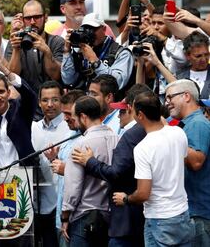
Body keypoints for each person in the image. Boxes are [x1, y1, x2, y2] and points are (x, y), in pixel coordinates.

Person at [71, 83, 152, 246]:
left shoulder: (132, 135)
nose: (118, 115)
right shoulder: (156, 131)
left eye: (122, 111)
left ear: (133, 109)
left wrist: (90, 162)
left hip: (127, 218)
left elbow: (116, 173)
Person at [113, 91, 193, 247]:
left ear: (140, 115)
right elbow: (181, 160)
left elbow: (143, 193)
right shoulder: (178, 132)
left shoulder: (143, 148)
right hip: (182, 214)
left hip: (159, 219)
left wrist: (125, 198)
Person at [61, 96, 118, 246]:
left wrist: (65, 217)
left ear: (83, 117)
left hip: (84, 216)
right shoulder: (116, 138)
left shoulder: (81, 143)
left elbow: (73, 187)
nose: (74, 121)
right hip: (110, 215)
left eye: (74, 117)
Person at [165, 79, 210, 246]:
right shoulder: (187, 124)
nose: (168, 103)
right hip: (191, 212)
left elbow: (197, 162)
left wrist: (170, 135)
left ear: (186, 96)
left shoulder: (197, 123)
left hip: (199, 213)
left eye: (170, 98)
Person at [43, 90, 85, 247]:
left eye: (69, 114)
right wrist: (54, 159)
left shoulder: (88, 139)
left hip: (77, 216)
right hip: (62, 213)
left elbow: (88, 174)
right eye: (64, 113)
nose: (65, 118)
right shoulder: (70, 135)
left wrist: (66, 169)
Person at [31, 80, 69, 247]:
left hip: (62, 202)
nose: (50, 105)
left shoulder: (70, 128)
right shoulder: (33, 128)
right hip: (37, 202)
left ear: (63, 100)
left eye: (55, 99)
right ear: (39, 103)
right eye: (45, 100)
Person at [5, 0, 64, 95]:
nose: (32, 22)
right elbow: (12, 77)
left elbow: (56, 75)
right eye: (28, 18)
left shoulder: (57, 41)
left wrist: (47, 52)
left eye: (37, 17)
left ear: (45, 17)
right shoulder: (16, 41)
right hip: (25, 99)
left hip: (50, 99)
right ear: (23, 20)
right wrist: (16, 50)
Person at [61, 13, 133, 91]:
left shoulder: (121, 53)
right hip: (84, 100)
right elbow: (68, 80)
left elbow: (117, 83)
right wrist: (67, 52)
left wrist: (95, 62)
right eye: (86, 29)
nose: (89, 33)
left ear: (104, 29)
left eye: (93, 29)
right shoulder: (80, 51)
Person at [177, 31, 210, 98]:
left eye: (206, 54)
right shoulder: (180, 77)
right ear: (187, 55)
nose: (204, 59)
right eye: (198, 56)